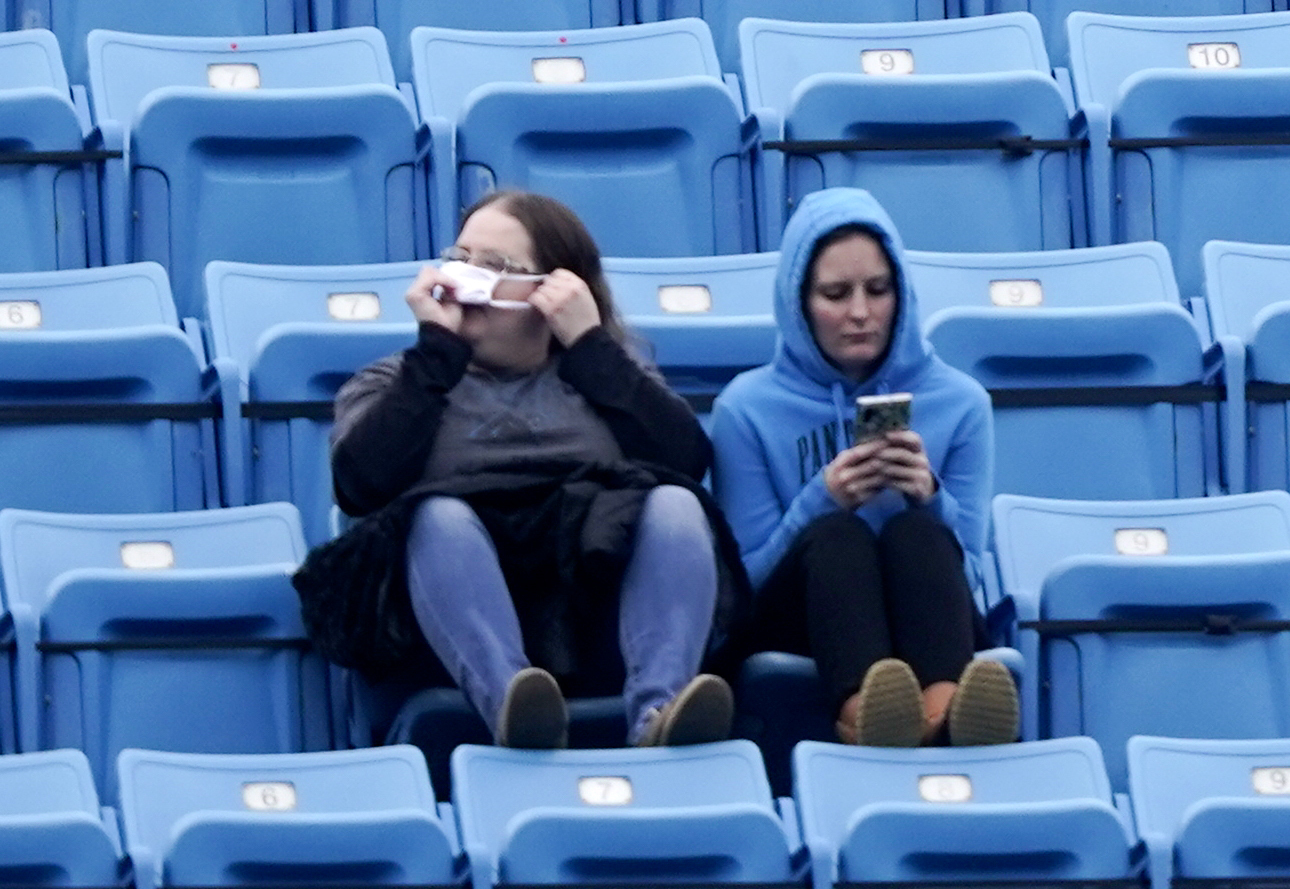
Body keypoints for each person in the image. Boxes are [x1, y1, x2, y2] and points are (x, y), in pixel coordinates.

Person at [297, 190, 742, 750]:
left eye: (494, 267)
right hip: (453, 640)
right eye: (459, 259)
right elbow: (359, 487)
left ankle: (658, 715)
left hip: (595, 618)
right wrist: (436, 354)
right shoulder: (397, 383)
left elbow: (686, 461)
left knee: (676, 504)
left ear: (555, 290)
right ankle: (515, 707)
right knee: (436, 517)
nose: (465, 279)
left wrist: (588, 343)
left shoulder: (606, 374)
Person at [713, 188, 1016, 746]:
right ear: (798, 301)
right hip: (798, 622)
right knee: (837, 536)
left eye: (878, 291)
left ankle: (945, 714)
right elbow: (746, 589)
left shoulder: (961, 402)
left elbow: (967, 569)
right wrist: (822, 498)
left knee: (918, 531)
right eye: (835, 293)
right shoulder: (745, 408)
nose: (859, 313)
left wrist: (930, 495)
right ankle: (868, 718)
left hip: (924, 616)